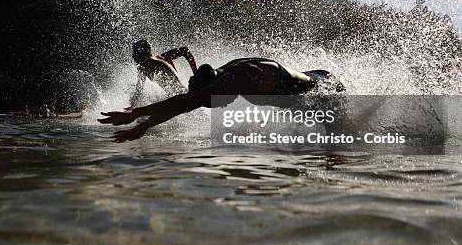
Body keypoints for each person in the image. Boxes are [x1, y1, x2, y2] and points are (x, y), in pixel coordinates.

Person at [99, 57, 345, 142]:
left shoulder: (237, 77)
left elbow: (186, 103)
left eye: (212, 101)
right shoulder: (221, 76)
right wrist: (143, 126)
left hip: (326, 89)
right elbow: (187, 102)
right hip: (311, 94)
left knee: (339, 147)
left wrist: (135, 114)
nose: (217, 105)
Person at [129, 39, 198, 108]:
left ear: (143, 53)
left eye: (135, 53)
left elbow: (185, 50)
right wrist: (132, 106)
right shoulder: (142, 68)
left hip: (183, 96)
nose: (133, 56)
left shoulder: (161, 58)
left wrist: (196, 74)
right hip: (175, 98)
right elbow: (139, 89)